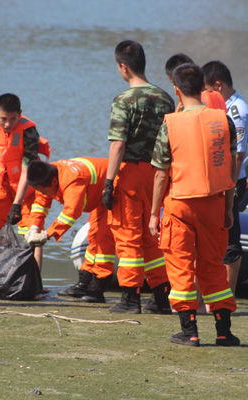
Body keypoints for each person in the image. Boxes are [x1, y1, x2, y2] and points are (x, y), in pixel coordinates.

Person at [149, 63, 239, 346]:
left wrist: (154, 213)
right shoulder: (224, 121)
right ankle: (224, 331)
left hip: (180, 204)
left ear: (176, 91)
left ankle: (190, 331)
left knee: (180, 265)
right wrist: (227, 207)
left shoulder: (170, 125)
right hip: (214, 202)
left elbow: (161, 173)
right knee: (213, 265)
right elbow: (230, 168)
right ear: (203, 88)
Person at [101, 40, 175, 314]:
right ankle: (160, 296)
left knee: (128, 234)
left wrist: (108, 183)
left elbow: (118, 144)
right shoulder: (166, 98)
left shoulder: (123, 101)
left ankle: (130, 298)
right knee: (152, 236)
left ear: (123, 67)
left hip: (131, 174)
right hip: (158, 175)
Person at [0, 93, 50, 268]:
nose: (7, 124)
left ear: (19, 114)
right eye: (3, 119)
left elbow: (28, 169)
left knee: (33, 232)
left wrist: (17, 204)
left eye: (13, 119)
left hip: (26, 187)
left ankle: (34, 281)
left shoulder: (28, 132)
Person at [25, 158, 116, 303]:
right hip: (100, 195)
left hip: (116, 191)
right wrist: (35, 226)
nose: (41, 192)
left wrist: (46, 234)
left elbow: (71, 213)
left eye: (42, 189)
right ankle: (85, 282)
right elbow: (41, 203)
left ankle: (98, 288)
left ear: (54, 182)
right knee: (93, 236)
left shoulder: (72, 179)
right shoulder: (48, 174)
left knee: (103, 238)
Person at [202, 60, 248, 295]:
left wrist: (229, 190)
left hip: (231, 179)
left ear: (218, 86)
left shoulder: (237, 111)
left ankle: (228, 296)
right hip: (216, 179)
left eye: (207, 89)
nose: (204, 95)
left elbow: (238, 156)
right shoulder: (220, 106)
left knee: (230, 239)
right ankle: (211, 292)